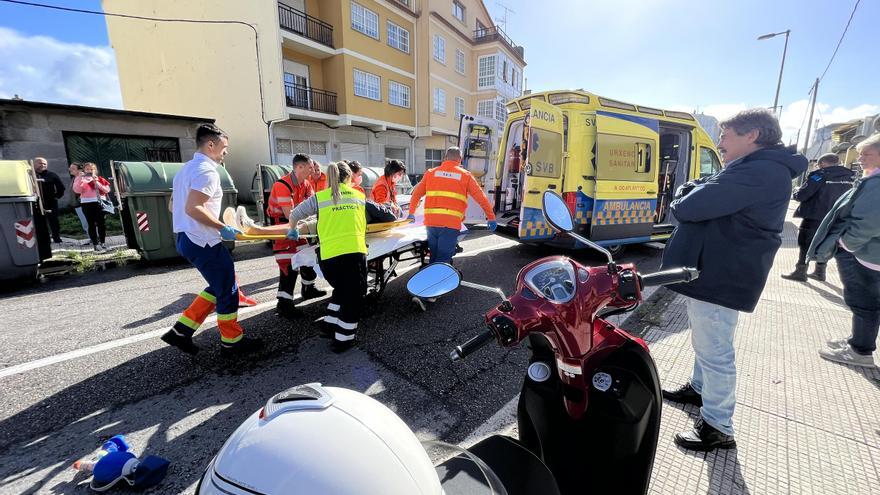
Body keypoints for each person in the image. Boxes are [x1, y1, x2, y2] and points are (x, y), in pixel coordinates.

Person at [660, 109, 807, 451]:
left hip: (722, 272)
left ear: (752, 134)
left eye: (725, 136)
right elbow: (703, 194)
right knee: (706, 342)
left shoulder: (760, 171)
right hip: (718, 268)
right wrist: (694, 190)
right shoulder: (754, 168)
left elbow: (688, 207)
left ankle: (718, 426)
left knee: (715, 351)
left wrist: (684, 191)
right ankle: (699, 391)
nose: (720, 144)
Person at [161, 123, 262, 357]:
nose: (226, 152)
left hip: (187, 238)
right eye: (224, 147)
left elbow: (172, 205)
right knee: (228, 289)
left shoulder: (185, 170)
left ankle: (181, 332)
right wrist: (223, 227)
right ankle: (232, 341)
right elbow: (194, 207)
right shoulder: (207, 171)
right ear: (210, 144)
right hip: (203, 240)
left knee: (220, 284)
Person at [810, 134, 880, 367]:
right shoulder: (873, 179)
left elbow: (869, 222)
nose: (859, 158)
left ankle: (860, 351)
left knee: (863, 303)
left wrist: (846, 244)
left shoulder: (877, 184)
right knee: (866, 303)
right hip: (869, 254)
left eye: (865, 154)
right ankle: (858, 342)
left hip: (864, 255)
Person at [286, 162, 367, 353]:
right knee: (353, 297)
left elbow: (295, 213)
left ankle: (329, 323)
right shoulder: (359, 196)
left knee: (342, 289)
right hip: (353, 254)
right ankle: (343, 339)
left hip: (328, 258)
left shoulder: (320, 198)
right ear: (349, 178)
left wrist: (292, 230)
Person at [407, 147, 496, 265]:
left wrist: (411, 213)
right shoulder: (465, 175)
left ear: (445, 157)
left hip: (431, 223)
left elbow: (416, 194)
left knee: (434, 256)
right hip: (450, 224)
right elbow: (481, 198)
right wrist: (491, 217)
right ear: (460, 159)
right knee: (443, 260)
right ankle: (440, 281)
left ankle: (431, 280)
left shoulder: (431, 173)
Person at [266, 153, 326, 319]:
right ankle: (284, 303)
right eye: (310, 168)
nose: (313, 171)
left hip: (298, 226)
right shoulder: (282, 185)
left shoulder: (306, 184)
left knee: (308, 257)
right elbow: (289, 213)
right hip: (282, 228)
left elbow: (313, 206)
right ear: (299, 167)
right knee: (288, 264)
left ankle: (308, 288)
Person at [782, 153, 854, 282]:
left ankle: (801, 271)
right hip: (837, 217)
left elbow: (802, 195)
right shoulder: (851, 177)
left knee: (806, 243)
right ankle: (820, 271)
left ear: (822, 163)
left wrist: (796, 191)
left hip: (815, 216)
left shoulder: (819, 175)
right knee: (826, 243)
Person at [73, 162, 112, 252]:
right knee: (91, 224)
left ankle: (103, 243)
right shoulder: (81, 179)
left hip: (99, 202)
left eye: (92, 169)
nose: (90, 171)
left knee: (101, 223)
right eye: (87, 169)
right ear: (84, 170)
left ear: (95, 170)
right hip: (87, 203)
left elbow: (107, 190)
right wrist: (79, 178)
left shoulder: (100, 179)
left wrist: (96, 182)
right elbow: (77, 190)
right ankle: (95, 244)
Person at [33, 157, 65, 243]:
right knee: (39, 221)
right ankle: (43, 239)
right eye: (40, 163)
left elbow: (61, 187)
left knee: (54, 221)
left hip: (51, 202)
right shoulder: (30, 175)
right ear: (34, 164)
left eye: (44, 164)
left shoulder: (52, 175)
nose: (42, 165)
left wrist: (56, 197)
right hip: (35, 202)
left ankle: (56, 237)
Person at [67, 162, 89, 235]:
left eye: (73, 168)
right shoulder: (75, 178)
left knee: (87, 221)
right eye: (70, 168)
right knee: (85, 222)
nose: (70, 169)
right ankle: (92, 238)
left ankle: (95, 238)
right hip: (78, 204)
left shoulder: (82, 177)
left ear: (79, 170)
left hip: (84, 203)